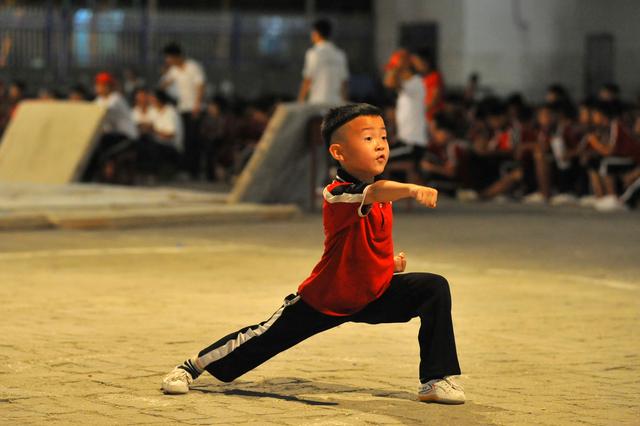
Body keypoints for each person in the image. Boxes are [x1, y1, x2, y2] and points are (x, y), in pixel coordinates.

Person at [161, 103, 465, 404]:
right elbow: (374, 193)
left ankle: (435, 381)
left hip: (372, 295)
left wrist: (388, 264)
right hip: (326, 299)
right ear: (338, 152)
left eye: (383, 137)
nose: (380, 146)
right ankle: (190, 368)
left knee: (433, 288)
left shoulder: (380, 194)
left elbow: (362, 244)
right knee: (261, 338)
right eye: (368, 138)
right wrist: (412, 189)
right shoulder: (338, 193)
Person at [161, 42, 206, 179]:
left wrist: (197, 105)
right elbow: (164, 84)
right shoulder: (174, 71)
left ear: (176, 56)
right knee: (185, 140)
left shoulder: (193, 67)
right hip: (182, 109)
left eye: (168, 57)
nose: (167, 61)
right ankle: (186, 169)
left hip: (194, 109)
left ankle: (195, 171)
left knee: (194, 140)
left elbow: (200, 85)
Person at [82, 72, 138, 182]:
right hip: (112, 135)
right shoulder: (99, 100)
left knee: (99, 143)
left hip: (126, 137)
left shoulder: (116, 99)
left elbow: (102, 112)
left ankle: (92, 176)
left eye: (102, 85)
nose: (99, 87)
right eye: (98, 84)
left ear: (110, 86)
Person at [383, 49, 427, 173]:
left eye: (396, 69)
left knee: (379, 161)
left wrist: (402, 65)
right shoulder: (407, 86)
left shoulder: (416, 83)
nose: (393, 72)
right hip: (406, 141)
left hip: (412, 142)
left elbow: (389, 82)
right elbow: (388, 81)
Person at [297, 19, 349, 104]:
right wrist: (345, 103)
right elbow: (344, 83)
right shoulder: (339, 54)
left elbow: (307, 80)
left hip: (317, 101)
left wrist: (300, 100)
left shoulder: (313, 53)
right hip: (336, 102)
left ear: (315, 33)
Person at [136, 89, 183, 178]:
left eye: (152, 99)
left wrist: (153, 130)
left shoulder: (170, 112)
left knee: (149, 144)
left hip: (172, 148)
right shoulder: (155, 111)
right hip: (159, 143)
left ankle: (153, 173)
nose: (149, 101)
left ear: (159, 100)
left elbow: (170, 135)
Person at [411, 49, 444, 124]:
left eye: (417, 62)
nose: (416, 65)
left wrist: (418, 112)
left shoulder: (435, 77)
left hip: (433, 119)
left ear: (425, 62)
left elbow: (434, 99)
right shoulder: (423, 78)